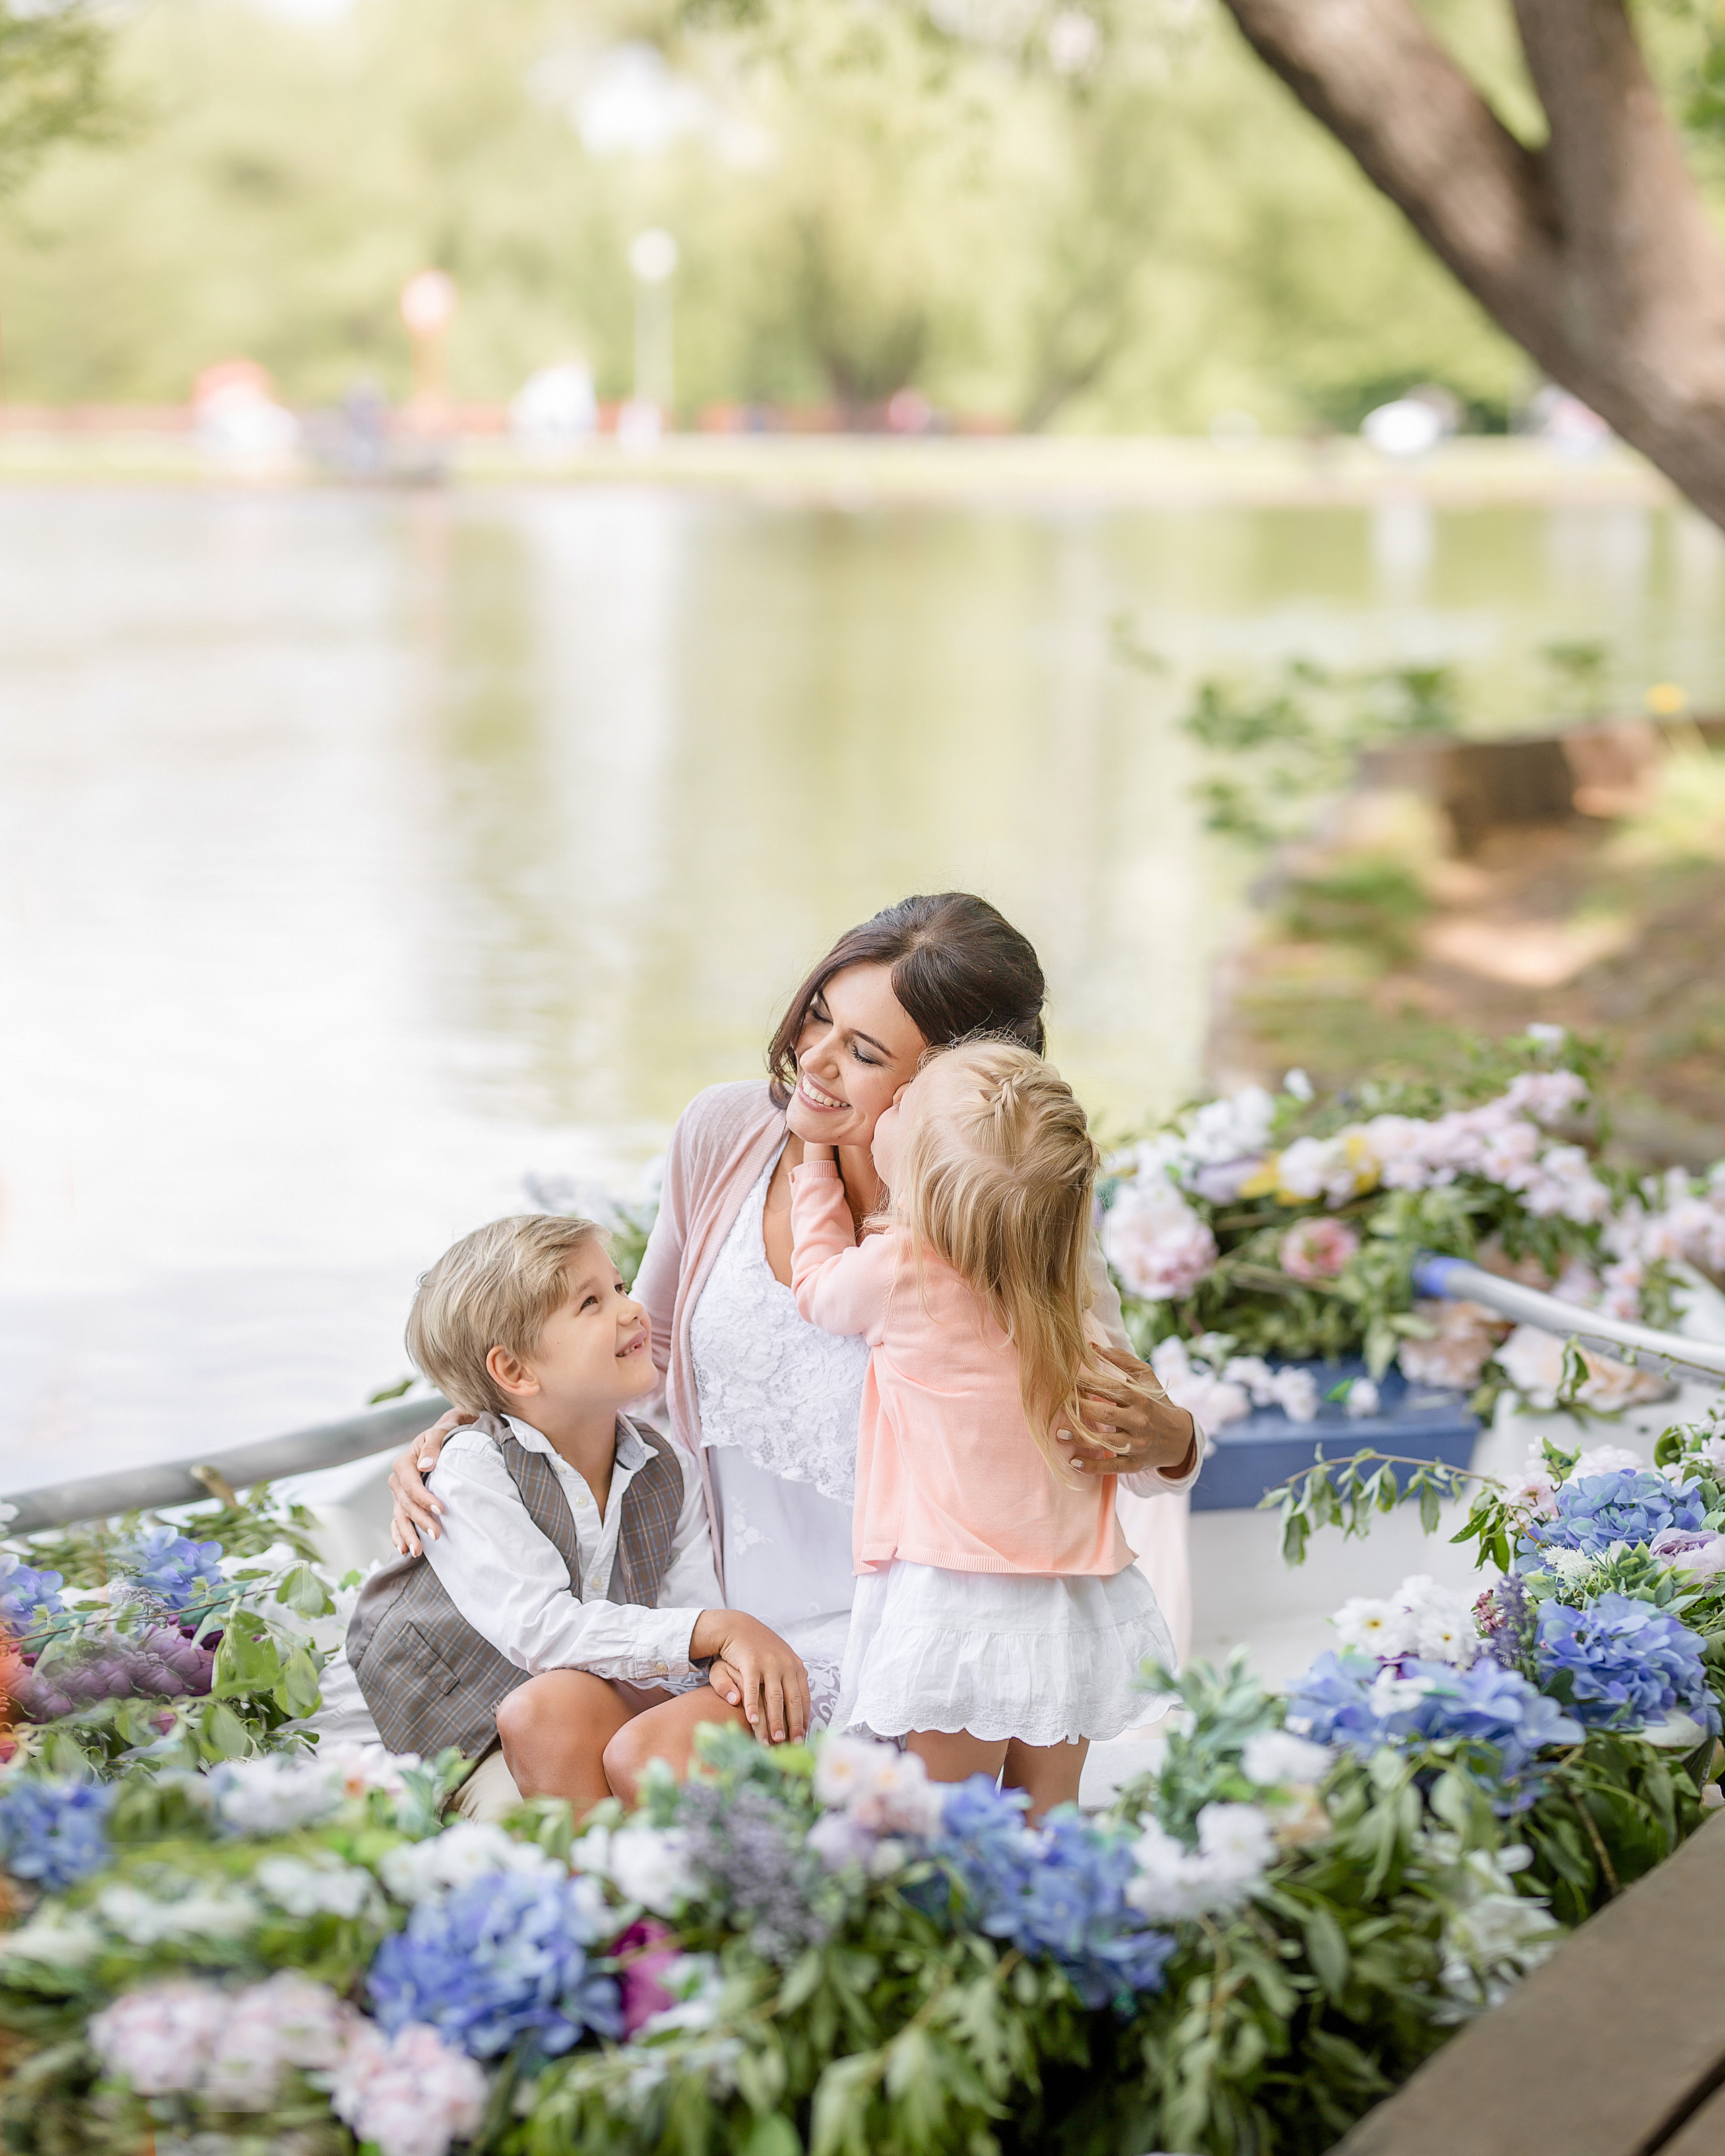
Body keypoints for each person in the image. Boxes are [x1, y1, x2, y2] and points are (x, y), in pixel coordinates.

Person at [388, 893, 1199, 1803]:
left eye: (863, 1053)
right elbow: (637, 1350)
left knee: (665, 1765)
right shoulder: (726, 1134)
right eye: (820, 1014)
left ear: (955, 1086)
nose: (812, 1061)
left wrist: (1170, 1441)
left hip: (902, 1638)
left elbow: (1126, 1442)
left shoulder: (1005, 1206)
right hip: (708, 1608)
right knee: (547, 1713)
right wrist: (478, 1430)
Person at [792, 1040, 1182, 1817]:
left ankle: (966, 1930)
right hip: (1074, 1596)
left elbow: (815, 1286)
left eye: (904, 1104)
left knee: (952, 1817)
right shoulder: (1064, 1279)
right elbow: (1139, 1439)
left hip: (952, 1597)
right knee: (1050, 1807)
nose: (890, 1102)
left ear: (926, 1182)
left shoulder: (899, 1267)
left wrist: (813, 1167)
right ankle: (1061, 1922)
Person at [346, 1213, 807, 1818]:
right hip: (465, 1727)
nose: (630, 1308)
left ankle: (662, 1877)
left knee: (643, 1741)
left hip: (591, 1690)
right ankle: (591, 1885)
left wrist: (713, 1660)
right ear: (514, 1370)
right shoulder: (472, 1467)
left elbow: (687, 1606)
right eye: (591, 1303)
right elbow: (539, 1628)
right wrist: (717, 1632)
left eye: (618, 1287)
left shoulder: (664, 1466)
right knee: (541, 1720)